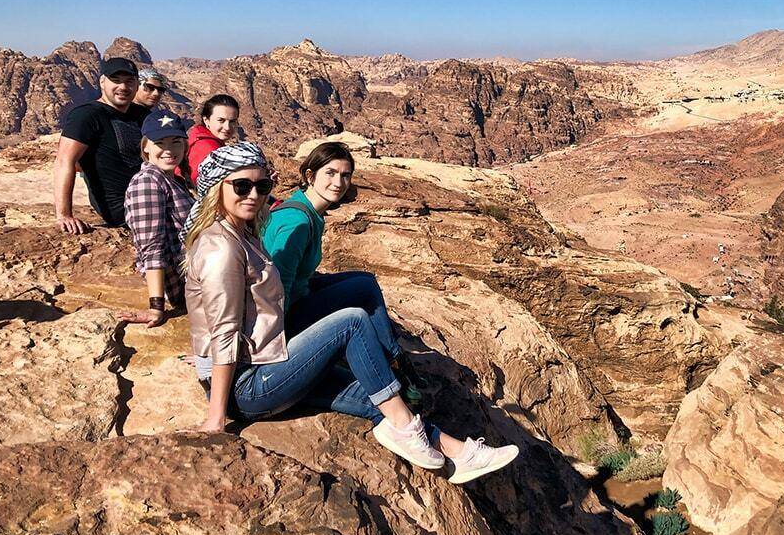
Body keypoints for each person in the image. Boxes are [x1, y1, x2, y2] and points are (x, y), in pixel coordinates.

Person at [182, 143, 518, 484]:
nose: (253, 195)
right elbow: (224, 331)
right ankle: (407, 422)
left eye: (262, 186)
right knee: (352, 321)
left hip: (266, 364)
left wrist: (203, 353)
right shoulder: (221, 249)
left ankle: (458, 454)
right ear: (217, 187)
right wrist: (216, 416)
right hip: (248, 387)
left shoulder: (241, 232)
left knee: (373, 392)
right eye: (241, 186)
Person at [261, 141, 427, 405]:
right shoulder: (297, 221)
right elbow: (277, 288)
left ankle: (396, 359)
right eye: (330, 173)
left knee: (365, 281)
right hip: (286, 318)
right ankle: (393, 366)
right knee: (362, 296)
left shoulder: (309, 210)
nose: (338, 182)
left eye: (345, 175)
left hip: (300, 295)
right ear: (310, 175)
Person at [118, 111, 194, 327]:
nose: (169, 150)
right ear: (146, 147)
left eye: (176, 142)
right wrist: (156, 307)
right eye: (160, 143)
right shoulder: (147, 182)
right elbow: (152, 245)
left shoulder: (173, 179)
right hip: (184, 286)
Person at [54, 57, 144, 233]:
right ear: (102, 82)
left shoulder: (141, 114)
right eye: (116, 80)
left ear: (136, 85)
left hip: (149, 194)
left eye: (129, 81)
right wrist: (64, 215)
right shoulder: (86, 115)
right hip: (123, 208)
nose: (123, 87)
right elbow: (64, 161)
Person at [187, 94, 239, 186]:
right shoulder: (211, 150)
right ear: (206, 120)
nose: (227, 127)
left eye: (232, 121)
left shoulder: (198, 137)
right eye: (221, 120)